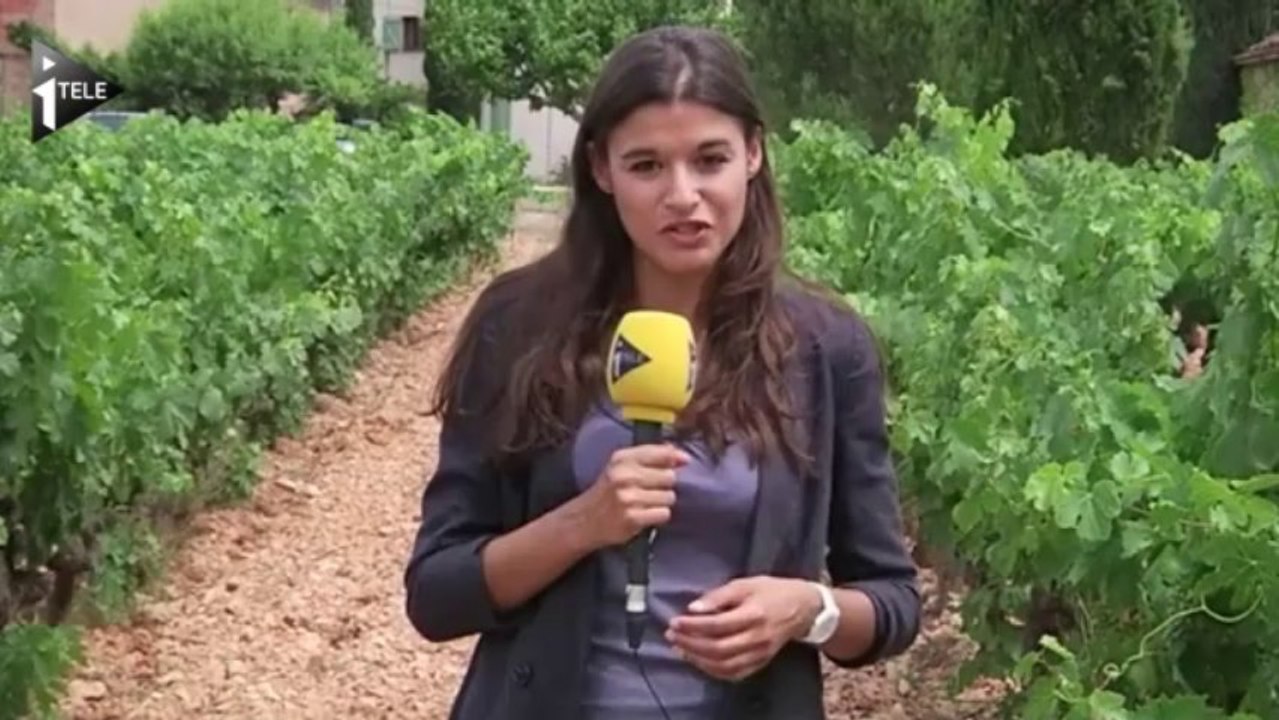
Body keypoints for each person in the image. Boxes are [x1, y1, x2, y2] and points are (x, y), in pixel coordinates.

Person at [403, 24, 921, 720]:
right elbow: (437, 594)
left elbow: (891, 602)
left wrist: (806, 609)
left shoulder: (824, 348)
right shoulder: (520, 325)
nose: (682, 195)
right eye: (646, 166)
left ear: (753, 156)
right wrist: (583, 522)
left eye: (709, 159)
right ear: (601, 169)